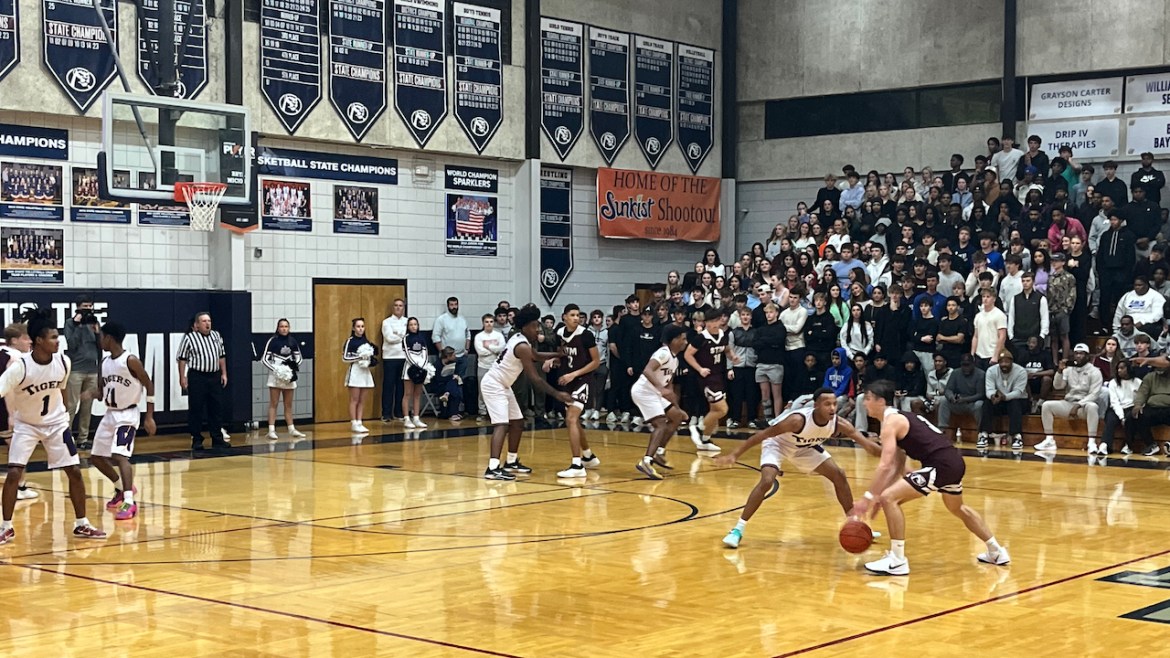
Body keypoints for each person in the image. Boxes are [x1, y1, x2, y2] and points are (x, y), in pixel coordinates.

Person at [850, 380, 1011, 576]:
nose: (864, 403)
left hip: (941, 465)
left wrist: (868, 497)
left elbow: (884, 465)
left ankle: (897, 560)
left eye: (867, 399)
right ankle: (996, 551)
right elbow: (898, 464)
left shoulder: (890, 423)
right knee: (957, 507)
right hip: (953, 462)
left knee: (889, 498)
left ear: (881, 401)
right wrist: (881, 495)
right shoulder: (899, 418)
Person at [715, 388, 878, 549]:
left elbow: (868, 446)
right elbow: (762, 435)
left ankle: (854, 524)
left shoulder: (840, 423)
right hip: (777, 444)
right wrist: (735, 455)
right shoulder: (797, 421)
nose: (833, 408)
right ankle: (737, 529)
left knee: (838, 475)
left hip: (804, 447)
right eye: (827, 404)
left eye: (835, 404)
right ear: (816, 405)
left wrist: (894, 452)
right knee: (767, 480)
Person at [0, 308, 107, 545]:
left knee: (75, 472)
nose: (58, 341)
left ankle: (82, 524)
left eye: (58, 337)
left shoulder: (64, 361)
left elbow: (60, 390)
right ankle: (5, 527)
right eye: (53, 337)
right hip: (27, 425)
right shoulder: (20, 366)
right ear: (39, 341)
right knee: (15, 473)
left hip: (56, 424)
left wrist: (63, 418)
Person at [480, 306, 573, 480]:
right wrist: (557, 394)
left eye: (538, 326)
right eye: (534, 326)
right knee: (502, 424)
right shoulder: (521, 345)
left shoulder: (520, 338)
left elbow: (536, 355)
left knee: (518, 422)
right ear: (524, 327)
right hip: (494, 384)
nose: (537, 329)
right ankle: (492, 468)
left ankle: (511, 461)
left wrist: (556, 354)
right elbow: (535, 378)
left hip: (503, 385)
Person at [87, 322, 156, 520]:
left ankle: (129, 502)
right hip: (110, 414)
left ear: (109, 338)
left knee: (120, 455)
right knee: (96, 457)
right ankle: (121, 488)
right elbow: (101, 393)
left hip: (128, 414)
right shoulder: (105, 363)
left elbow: (148, 385)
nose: (100, 341)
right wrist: (90, 393)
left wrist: (149, 416)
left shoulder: (130, 360)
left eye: (102, 337)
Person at [633, 325, 691, 479]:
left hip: (655, 393)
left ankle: (658, 452)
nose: (685, 342)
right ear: (674, 340)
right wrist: (660, 388)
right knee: (660, 424)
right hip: (644, 391)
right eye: (683, 339)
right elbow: (647, 370)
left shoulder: (675, 360)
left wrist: (678, 408)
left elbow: (669, 387)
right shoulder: (663, 353)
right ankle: (646, 461)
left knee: (676, 417)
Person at [552, 304, 602, 478]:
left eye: (578, 315)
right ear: (564, 317)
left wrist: (574, 374)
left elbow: (596, 361)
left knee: (571, 419)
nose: (575, 318)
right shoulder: (559, 333)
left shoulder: (585, 335)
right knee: (574, 420)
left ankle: (576, 464)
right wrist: (552, 361)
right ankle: (588, 456)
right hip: (568, 381)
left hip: (583, 379)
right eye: (572, 315)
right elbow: (563, 355)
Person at [684, 307, 739, 452]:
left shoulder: (722, 334)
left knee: (715, 410)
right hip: (706, 378)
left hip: (718, 375)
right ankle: (698, 427)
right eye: (708, 321)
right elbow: (687, 355)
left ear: (720, 320)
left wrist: (732, 357)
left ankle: (705, 439)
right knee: (723, 409)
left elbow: (726, 349)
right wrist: (700, 369)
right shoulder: (701, 338)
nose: (711, 324)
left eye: (714, 321)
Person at [176, 312, 230, 451]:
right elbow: (182, 359)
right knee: (196, 408)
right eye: (204, 321)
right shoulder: (190, 338)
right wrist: (182, 377)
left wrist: (224, 373)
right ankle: (196, 439)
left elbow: (221, 355)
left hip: (214, 375)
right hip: (197, 376)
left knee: (216, 408)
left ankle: (217, 438)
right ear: (197, 325)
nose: (207, 324)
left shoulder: (216, 336)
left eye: (209, 321)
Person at [0, 323, 41, 501]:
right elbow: (9, 389)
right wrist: (11, 414)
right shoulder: (17, 358)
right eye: (25, 338)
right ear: (14, 341)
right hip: (3, 406)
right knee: (16, 448)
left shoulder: (3, 349)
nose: (30, 341)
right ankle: (20, 487)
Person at [64, 295, 101, 450]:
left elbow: (101, 347)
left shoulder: (94, 323)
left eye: (90, 306)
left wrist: (98, 332)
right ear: (78, 307)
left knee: (87, 407)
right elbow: (71, 344)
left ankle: (83, 439)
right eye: (84, 306)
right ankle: (66, 438)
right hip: (76, 370)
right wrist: (78, 325)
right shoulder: (70, 323)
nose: (87, 309)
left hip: (92, 370)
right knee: (71, 406)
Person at [261, 319, 305, 441]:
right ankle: (271, 430)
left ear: (289, 328)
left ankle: (291, 428)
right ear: (278, 328)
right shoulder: (272, 341)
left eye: (286, 326)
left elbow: (299, 357)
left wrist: (292, 367)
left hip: (289, 376)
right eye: (281, 326)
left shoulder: (292, 341)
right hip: (276, 375)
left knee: (288, 404)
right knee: (274, 403)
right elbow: (265, 359)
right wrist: (276, 370)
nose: (284, 329)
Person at [982, 349, 1027, 449]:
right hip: (999, 400)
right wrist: (993, 396)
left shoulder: (1021, 371)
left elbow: (1018, 392)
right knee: (987, 403)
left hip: (1018, 400)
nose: (1004, 364)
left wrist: (1005, 397)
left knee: (1014, 403)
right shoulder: (991, 371)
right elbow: (989, 389)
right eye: (1001, 362)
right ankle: (984, 434)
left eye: (1007, 362)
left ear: (1012, 362)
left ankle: (1016, 436)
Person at [432, 296, 470, 410]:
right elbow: (435, 337)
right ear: (448, 306)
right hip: (448, 359)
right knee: (448, 383)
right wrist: (443, 353)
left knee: (459, 382)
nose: (454, 307)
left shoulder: (463, 319)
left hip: (461, 356)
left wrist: (467, 349)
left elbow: (468, 334)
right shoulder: (441, 319)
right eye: (452, 305)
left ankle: (457, 409)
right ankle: (447, 410)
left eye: (456, 304)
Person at [342, 317, 378, 435]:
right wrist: (360, 357)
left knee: (362, 399)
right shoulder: (350, 341)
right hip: (356, 371)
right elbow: (345, 358)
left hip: (365, 371)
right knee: (354, 399)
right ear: (353, 328)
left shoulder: (366, 341)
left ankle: (360, 421)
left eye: (362, 326)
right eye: (358, 326)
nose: (360, 329)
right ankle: (354, 422)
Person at [938, 354, 985, 443]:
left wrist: (965, 399)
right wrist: (951, 397)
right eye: (964, 365)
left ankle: (981, 433)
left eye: (968, 365)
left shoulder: (980, 374)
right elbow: (948, 389)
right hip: (957, 403)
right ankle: (942, 430)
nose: (966, 368)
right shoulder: (955, 373)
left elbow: (981, 394)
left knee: (980, 404)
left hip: (972, 404)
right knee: (944, 400)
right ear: (960, 364)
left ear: (973, 364)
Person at [1100, 359, 1141, 457]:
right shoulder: (1113, 383)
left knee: (1130, 419)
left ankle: (1128, 445)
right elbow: (1114, 402)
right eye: (1118, 368)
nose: (1119, 370)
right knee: (1110, 419)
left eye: (1122, 368)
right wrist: (1121, 417)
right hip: (1117, 407)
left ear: (1128, 369)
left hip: (1131, 407)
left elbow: (1139, 399)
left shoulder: (1137, 382)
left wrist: (1126, 417)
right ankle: (1105, 444)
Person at [380, 299, 408, 422]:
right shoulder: (386, 322)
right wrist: (402, 336)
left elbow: (409, 337)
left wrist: (398, 334)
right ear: (393, 308)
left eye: (400, 306)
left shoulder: (407, 322)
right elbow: (390, 338)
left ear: (404, 308)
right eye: (396, 305)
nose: (398, 308)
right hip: (390, 358)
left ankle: (399, 412)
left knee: (401, 386)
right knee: (388, 386)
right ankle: (386, 413)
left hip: (404, 357)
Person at [473, 314, 505, 420]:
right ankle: (482, 412)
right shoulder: (479, 336)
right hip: (483, 366)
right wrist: (495, 350)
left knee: (497, 390)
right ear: (483, 323)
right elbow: (481, 352)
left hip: (496, 367)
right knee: (482, 390)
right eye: (487, 322)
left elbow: (502, 349)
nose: (489, 324)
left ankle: (496, 412)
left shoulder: (499, 335)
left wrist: (488, 346)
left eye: (491, 321)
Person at [401, 317, 429, 429]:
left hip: (421, 368)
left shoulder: (422, 338)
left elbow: (425, 353)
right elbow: (407, 354)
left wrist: (422, 367)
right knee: (408, 394)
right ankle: (407, 418)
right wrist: (415, 366)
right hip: (410, 368)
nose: (413, 326)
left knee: (417, 394)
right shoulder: (405, 338)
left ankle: (416, 417)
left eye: (415, 324)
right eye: (411, 324)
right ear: (408, 327)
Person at [971, 290, 1007, 371]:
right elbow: (975, 336)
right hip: (979, 354)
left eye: (988, 297)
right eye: (983, 297)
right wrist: (972, 354)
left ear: (994, 299)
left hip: (992, 354)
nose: (985, 299)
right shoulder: (978, 316)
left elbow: (1002, 336)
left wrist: (996, 355)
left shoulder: (999, 315)